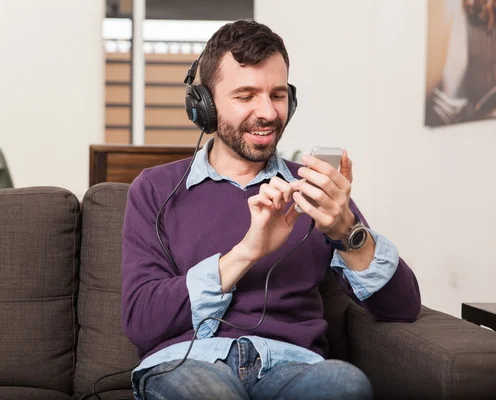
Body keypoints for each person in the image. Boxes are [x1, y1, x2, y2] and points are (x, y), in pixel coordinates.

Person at [121, 19, 421, 400]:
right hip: (189, 363)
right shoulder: (155, 189)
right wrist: (248, 251)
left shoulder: (312, 188)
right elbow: (142, 321)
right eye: (246, 96)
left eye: (277, 95)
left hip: (292, 365)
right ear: (205, 106)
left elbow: (402, 307)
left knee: (347, 384)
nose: (267, 112)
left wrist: (345, 229)